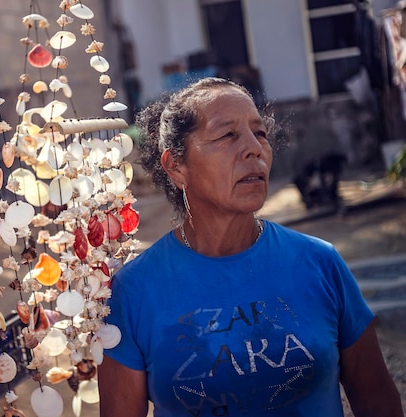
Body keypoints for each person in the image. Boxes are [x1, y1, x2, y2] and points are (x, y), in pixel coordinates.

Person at [98, 77, 403, 417]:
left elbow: (377, 399)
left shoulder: (319, 263)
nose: (253, 148)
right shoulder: (134, 291)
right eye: (227, 135)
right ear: (176, 166)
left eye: (260, 133)